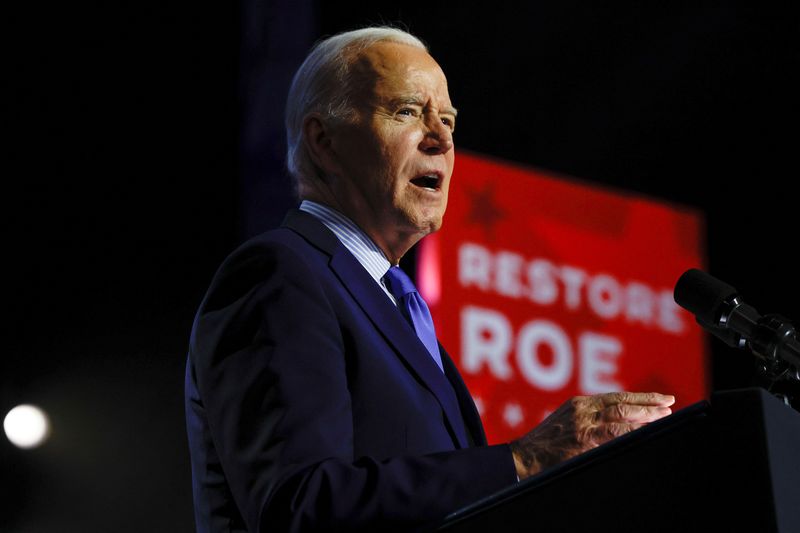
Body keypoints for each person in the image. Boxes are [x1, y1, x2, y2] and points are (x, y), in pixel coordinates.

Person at [184, 26, 675, 532]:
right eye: (406, 112)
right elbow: (302, 504)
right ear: (323, 141)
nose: (441, 139)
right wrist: (521, 461)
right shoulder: (279, 273)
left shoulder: (399, 308)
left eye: (448, 120)